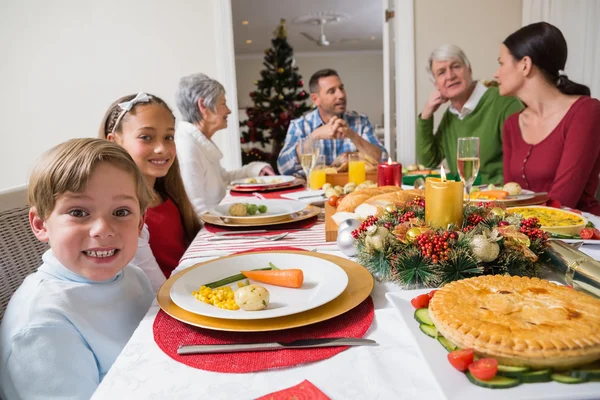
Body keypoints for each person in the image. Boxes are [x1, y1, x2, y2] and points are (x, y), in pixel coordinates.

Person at [0, 138, 155, 399]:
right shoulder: (42, 327)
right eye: (79, 213)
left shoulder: (132, 277)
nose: (103, 229)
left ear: (140, 223)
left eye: (120, 212)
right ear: (40, 224)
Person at [498, 22, 600, 215]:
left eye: (501, 63)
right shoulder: (512, 124)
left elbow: (563, 199)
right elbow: (509, 195)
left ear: (525, 65)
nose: (497, 73)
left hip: (582, 237)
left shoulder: (585, 111)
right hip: (532, 234)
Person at [100, 93, 202, 283]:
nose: (161, 148)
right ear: (114, 141)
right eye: (146, 137)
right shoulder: (124, 215)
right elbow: (155, 288)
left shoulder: (167, 196)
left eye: (168, 137)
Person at [416, 44, 523, 184]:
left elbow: (523, 163)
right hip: (466, 199)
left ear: (469, 69)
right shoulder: (451, 116)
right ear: (436, 84)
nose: (450, 76)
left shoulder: (504, 102)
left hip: (501, 199)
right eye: (441, 72)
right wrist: (426, 115)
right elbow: (429, 160)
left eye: (456, 66)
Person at [175, 73, 275, 216]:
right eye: (223, 103)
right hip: (210, 232)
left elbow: (224, 178)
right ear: (203, 106)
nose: (228, 110)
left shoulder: (198, 142)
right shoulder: (187, 147)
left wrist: (254, 169)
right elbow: (196, 210)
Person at [277, 68, 388, 176]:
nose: (341, 95)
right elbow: (283, 167)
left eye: (341, 88)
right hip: (311, 190)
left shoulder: (361, 121)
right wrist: (315, 136)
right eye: (332, 91)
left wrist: (352, 135)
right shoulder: (299, 126)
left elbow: (383, 159)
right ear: (316, 99)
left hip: (352, 190)